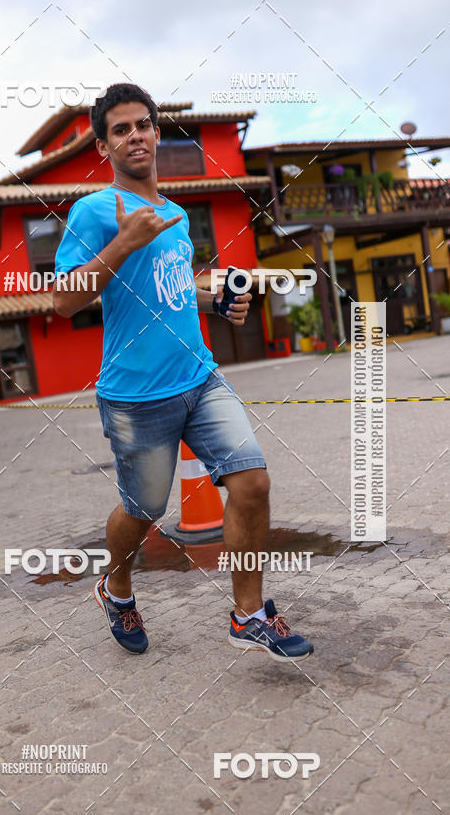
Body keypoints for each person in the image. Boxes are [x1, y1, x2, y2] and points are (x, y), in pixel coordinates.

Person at [54, 83, 313, 663]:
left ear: (157, 132)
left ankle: (248, 616)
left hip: (200, 378)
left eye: (143, 124)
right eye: (120, 129)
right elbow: (64, 300)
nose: (135, 136)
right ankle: (116, 589)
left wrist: (214, 302)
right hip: (135, 396)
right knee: (144, 510)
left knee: (252, 482)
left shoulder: (173, 214)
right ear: (103, 147)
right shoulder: (93, 212)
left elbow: (169, 290)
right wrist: (122, 243)